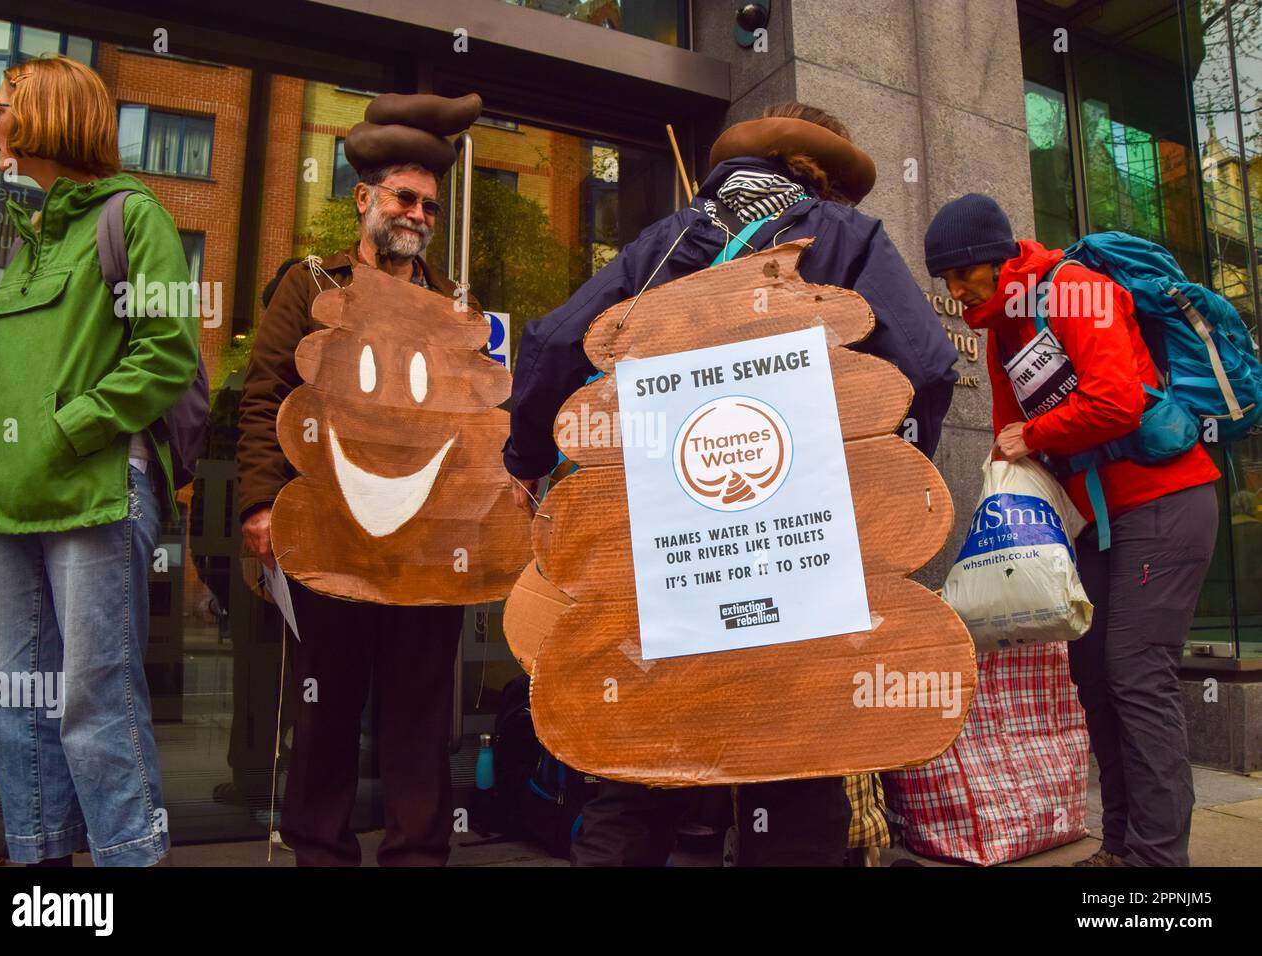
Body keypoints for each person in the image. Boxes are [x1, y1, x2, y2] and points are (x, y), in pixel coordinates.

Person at [504, 102, 959, 866]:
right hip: (796, 560)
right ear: (823, 175)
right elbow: (929, 363)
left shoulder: (666, 242)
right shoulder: (845, 237)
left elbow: (552, 341)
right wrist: (881, 488)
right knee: (793, 766)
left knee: (639, 770)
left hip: (667, 559)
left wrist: (523, 461)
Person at [925, 193, 1222, 867]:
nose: (953, 288)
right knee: (1093, 675)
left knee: (1135, 675)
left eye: (959, 272)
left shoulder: (1074, 291)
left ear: (993, 258)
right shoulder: (1002, 329)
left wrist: (1031, 434)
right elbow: (1011, 444)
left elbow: (1113, 402)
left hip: (1165, 499)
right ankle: (1119, 847)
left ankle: (1156, 861)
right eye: (944, 280)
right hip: (1097, 520)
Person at [0, 56, 199, 866]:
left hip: (97, 494)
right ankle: (47, 883)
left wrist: (65, 433)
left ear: (47, 116)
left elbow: (167, 354)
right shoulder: (31, 241)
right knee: (11, 703)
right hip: (9, 506)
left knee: (94, 703)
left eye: (2, 109)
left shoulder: (134, 218)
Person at [236, 93, 482, 866]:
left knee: (418, 717)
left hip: (424, 553)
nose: (418, 215)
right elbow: (263, 397)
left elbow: (472, 426)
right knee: (325, 711)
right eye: (406, 198)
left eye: (430, 206)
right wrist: (256, 505)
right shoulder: (308, 285)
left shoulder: (449, 308)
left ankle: (416, 855)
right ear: (365, 199)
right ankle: (320, 851)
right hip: (330, 540)